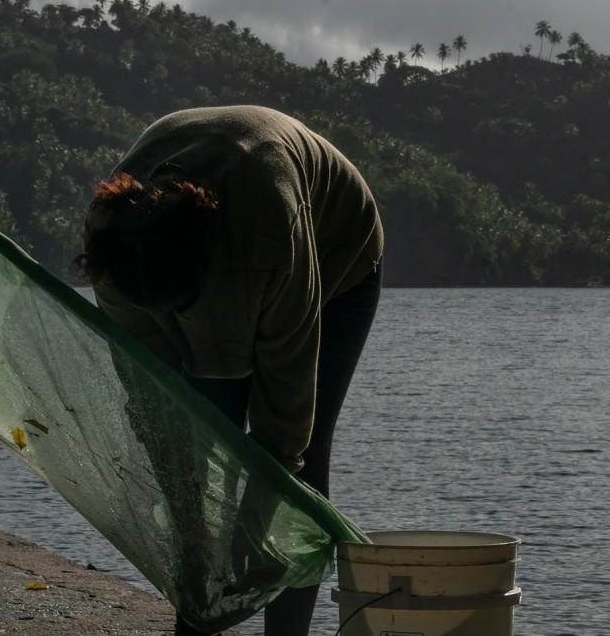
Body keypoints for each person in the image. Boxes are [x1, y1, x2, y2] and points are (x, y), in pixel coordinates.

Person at [76, 105, 383, 636]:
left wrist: (257, 529)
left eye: (184, 309)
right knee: (191, 465)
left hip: (336, 256)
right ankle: (196, 626)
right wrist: (184, 508)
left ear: (207, 276)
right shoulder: (116, 247)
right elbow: (151, 396)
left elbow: (284, 421)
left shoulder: (266, 234)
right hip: (207, 267)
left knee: (300, 469)